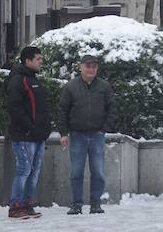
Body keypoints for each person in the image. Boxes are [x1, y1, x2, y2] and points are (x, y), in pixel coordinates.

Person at [59, 55, 116, 215]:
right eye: (88, 66)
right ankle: (76, 204)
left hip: (97, 135)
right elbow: (63, 110)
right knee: (76, 172)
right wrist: (64, 132)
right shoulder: (71, 86)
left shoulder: (104, 86)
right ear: (81, 67)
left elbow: (112, 108)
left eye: (94, 67)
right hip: (77, 135)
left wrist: (104, 129)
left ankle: (95, 204)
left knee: (98, 172)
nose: (91, 69)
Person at [6, 46, 52, 219]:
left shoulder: (34, 79)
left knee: (34, 172)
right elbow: (14, 107)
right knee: (24, 170)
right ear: (28, 60)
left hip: (38, 136)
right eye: (38, 59)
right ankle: (15, 206)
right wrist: (28, 127)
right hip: (24, 135)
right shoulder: (18, 80)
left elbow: (40, 109)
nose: (41, 61)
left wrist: (44, 129)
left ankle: (27, 204)